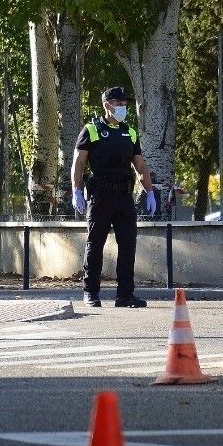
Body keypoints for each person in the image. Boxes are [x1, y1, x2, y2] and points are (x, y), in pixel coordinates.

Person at [71, 86, 156, 308]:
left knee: (128, 245)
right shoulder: (91, 130)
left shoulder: (130, 132)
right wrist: (77, 191)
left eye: (125, 104)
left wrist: (150, 191)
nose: (123, 108)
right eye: (119, 104)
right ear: (107, 105)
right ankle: (91, 292)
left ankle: (125, 295)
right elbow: (79, 162)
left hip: (124, 197)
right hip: (100, 196)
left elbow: (140, 164)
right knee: (95, 244)